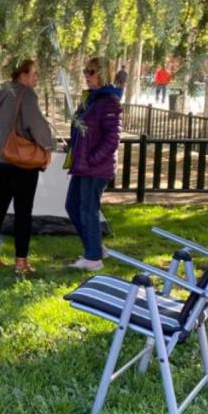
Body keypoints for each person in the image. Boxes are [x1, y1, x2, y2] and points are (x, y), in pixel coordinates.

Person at [0, 59, 56, 274]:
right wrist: (47, 147)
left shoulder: (2, 93)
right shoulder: (27, 94)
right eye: (34, 73)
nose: (36, 78)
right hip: (20, 160)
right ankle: (21, 261)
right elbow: (35, 124)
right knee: (23, 211)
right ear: (22, 75)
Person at [65, 56, 123, 271]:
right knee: (72, 206)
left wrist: (92, 158)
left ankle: (93, 258)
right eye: (85, 71)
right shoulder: (91, 99)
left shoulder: (109, 101)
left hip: (95, 167)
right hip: (83, 164)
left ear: (103, 74)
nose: (86, 76)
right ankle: (95, 247)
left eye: (92, 72)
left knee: (88, 209)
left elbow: (112, 138)